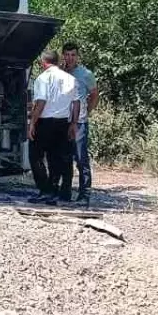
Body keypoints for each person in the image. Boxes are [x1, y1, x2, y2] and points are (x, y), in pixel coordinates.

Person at [27, 49, 79, 205]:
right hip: (63, 122)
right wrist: (73, 123)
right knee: (56, 157)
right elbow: (76, 103)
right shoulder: (70, 78)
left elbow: (41, 102)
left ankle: (45, 190)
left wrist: (32, 123)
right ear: (57, 61)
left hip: (45, 122)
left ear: (43, 62)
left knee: (35, 156)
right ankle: (55, 189)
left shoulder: (43, 79)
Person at [61, 42, 99, 203]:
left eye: (73, 55)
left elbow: (94, 95)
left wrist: (87, 112)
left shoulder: (85, 74)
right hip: (62, 120)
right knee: (64, 157)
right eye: (67, 55)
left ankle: (84, 194)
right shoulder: (60, 72)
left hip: (79, 123)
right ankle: (65, 192)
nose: (70, 58)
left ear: (78, 56)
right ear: (63, 55)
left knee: (81, 158)